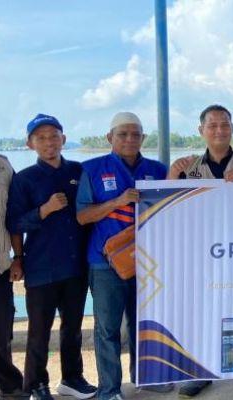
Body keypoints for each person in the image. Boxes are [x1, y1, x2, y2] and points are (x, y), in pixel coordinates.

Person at [168, 105, 233, 397]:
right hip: (202, 250)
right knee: (204, 310)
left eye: (224, 125)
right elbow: (169, 206)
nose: (219, 130)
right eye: (212, 126)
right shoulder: (187, 166)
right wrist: (172, 176)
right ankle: (201, 372)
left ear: (232, 128)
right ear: (201, 131)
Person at [76, 112, 169, 400]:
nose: (130, 139)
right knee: (107, 329)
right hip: (105, 263)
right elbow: (82, 216)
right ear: (110, 137)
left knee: (145, 323)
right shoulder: (91, 169)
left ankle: (145, 378)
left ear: (143, 138)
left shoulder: (158, 169)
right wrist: (117, 202)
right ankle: (109, 389)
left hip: (148, 261)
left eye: (135, 134)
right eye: (122, 134)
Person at [6, 114, 97, 400]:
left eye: (54, 136)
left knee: (73, 327)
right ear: (30, 144)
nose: (49, 142)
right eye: (41, 138)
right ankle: (36, 384)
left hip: (76, 264)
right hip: (41, 266)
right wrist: (43, 210)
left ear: (63, 139)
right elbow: (14, 223)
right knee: (39, 331)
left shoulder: (79, 171)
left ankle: (72, 378)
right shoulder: (24, 179)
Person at [0, 154, 26, 399]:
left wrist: (18, 257)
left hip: (0, 266)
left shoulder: (3, 166)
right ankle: (12, 382)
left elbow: (14, 216)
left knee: (2, 332)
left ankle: (8, 387)